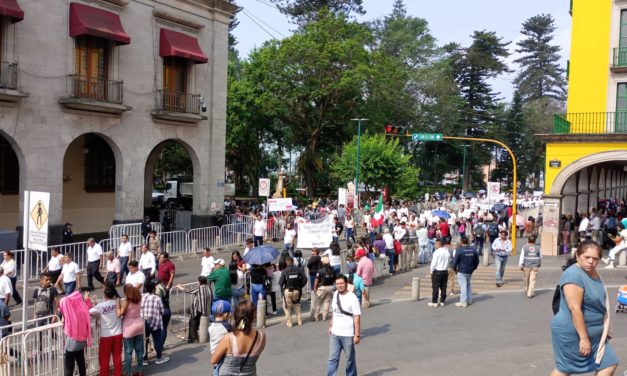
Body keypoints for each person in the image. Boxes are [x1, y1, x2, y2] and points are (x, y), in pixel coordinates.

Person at [550, 241, 618, 376]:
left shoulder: (594, 272)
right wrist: (584, 338)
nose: (591, 262)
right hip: (573, 333)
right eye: (587, 257)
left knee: (609, 363)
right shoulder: (573, 275)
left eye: (595, 258)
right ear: (577, 256)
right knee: (564, 369)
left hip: (596, 334)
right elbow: (575, 309)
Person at [210, 300, 266, 375]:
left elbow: (214, 360)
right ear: (254, 316)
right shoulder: (262, 336)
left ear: (235, 316)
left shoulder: (228, 338)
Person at [326, 275, 361, 376]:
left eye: (341, 283)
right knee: (332, 359)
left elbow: (357, 316)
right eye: (337, 284)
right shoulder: (336, 294)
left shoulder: (352, 297)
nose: (339, 286)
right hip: (335, 333)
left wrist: (357, 335)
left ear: (346, 284)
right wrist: (331, 324)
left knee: (350, 359)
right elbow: (334, 311)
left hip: (348, 334)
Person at [89, 287, 123, 376]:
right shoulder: (118, 303)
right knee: (117, 358)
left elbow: (89, 312)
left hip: (106, 336)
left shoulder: (101, 306)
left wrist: (88, 301)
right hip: (118, 333)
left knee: (104, 359)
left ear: (105, 295)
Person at [59, 291, 92, 376]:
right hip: (83, 340)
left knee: (68, 367)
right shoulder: (83, 308)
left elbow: (63, 301)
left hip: (73, 341)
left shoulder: (71, 311)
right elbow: (88, 307)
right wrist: (87, 299)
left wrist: (69, 298)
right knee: (81, 362)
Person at [118, 284, 144, 376]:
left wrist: (117, 303)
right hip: (139, 325)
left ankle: (128, 372)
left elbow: (120, 313)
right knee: (139, 350)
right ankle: (140, 370)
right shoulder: (139, 299)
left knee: (128, 352)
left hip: (129, 328)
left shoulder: (126, 301)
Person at [141, 280, 169, 365]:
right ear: (153, 289)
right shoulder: (157, 298)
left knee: (144, 340)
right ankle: (159, 357)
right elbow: (162, 311)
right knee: (157, 339)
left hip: (144, 320)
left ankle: (144, 359)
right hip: (155, 321)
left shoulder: (142, 296)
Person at [176, 276, 211, 343]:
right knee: (196, 322)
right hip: (206, 309)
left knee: (192, 323)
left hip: (198, 309)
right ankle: (195, 336)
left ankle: (193, 338)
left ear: (199, 282)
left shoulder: (199, 288)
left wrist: (179, 287)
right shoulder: (208, 288)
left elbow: (188, 291)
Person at [279, 257, 307, 327]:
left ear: (286, 262)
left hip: (287, 291)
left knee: (287, 307)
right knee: (296, 305)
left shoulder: (285, 271)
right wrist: (300, 286)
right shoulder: (299, 269)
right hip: (296, 290)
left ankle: (289, 323)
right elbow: (305, 279)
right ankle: (299, 321)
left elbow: (280, 282)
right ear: (293, 262)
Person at [451, 237, 479, 307]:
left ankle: (463, 301)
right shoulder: (473, 250)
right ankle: (469, 300)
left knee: (463, 286)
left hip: (462, 270)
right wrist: (473, 268)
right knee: (468, 284)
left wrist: (454, 269)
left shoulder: (459, 250)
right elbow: (477, 261)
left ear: (461, 242)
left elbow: (455, 262)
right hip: (470, 270)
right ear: (468, 242)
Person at [209, 300, 233, 376]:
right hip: (224, 357)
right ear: (226, 314)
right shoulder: (226, 327)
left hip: (215, 354)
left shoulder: (211, 326)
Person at [428, 239, 449, 307]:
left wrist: (431, 271)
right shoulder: (446, 252)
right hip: (445, 271)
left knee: (435, 287)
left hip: (437, 271)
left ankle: (434, 302)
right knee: (443, 286)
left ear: (439, 244)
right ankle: (442, 301)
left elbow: (433, 264)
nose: (435, 245)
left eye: (436, 244)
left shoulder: (436, 252)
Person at [313, 256, 336, 321]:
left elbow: (317, 280)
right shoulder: (332, 270)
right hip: (330, 287)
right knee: (327, 302)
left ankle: (316, 317)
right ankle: (324, 317)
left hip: (322, 288)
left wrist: (315, 288)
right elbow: (335, 279)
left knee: (318, 302)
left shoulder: (320, 271)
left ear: (322, 262)